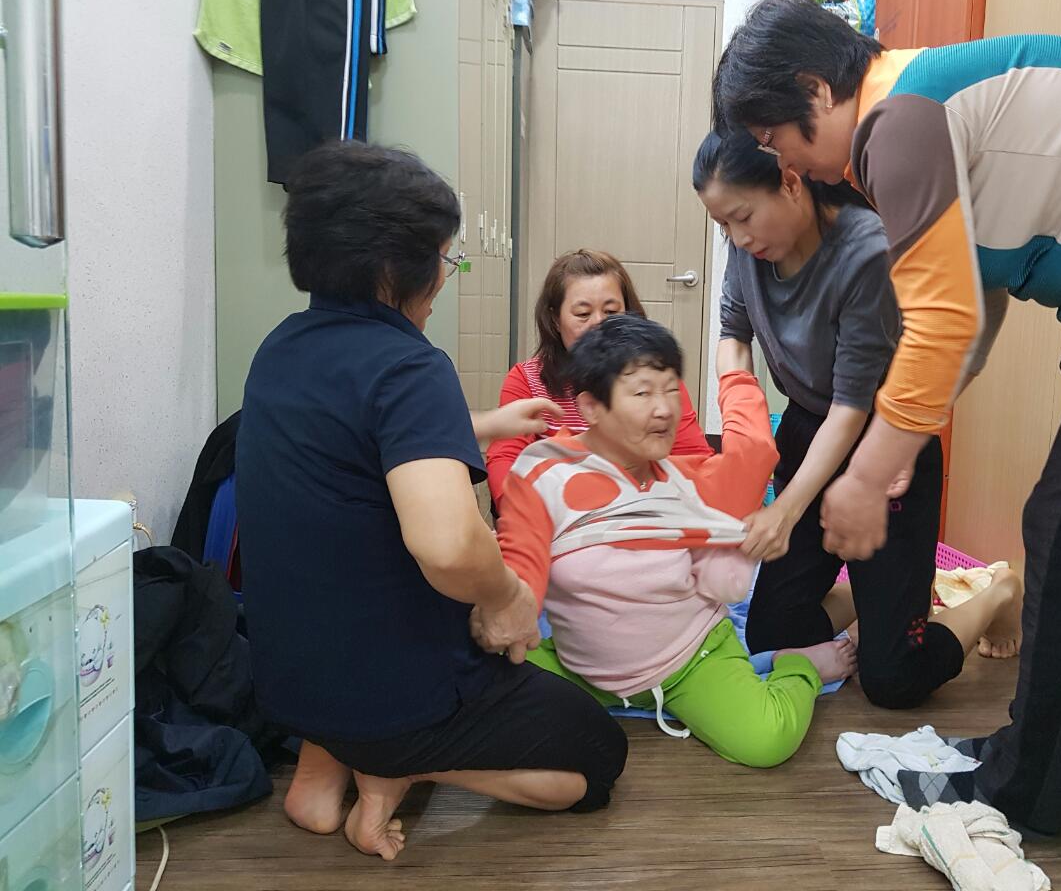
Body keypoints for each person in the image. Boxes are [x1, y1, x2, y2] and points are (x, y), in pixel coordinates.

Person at [713, 0, 1061, 834]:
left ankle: (1024, 787)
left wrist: (868, 475)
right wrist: (906, 439)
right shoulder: (916, 112)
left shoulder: (897, 125)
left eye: (775, 140)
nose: (786, 163)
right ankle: (1028, 764)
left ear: (815, 90)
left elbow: (940, 321)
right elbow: (977, 297)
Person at [236, 141, 627, 861]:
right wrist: (506, 597)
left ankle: (321, 779)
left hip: (288, 681)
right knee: (597, 755)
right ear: (397, 269)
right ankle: (397, 765)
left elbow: (355, 446)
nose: (446, 277)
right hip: (396, 691)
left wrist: (483, 424)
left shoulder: (281, 348)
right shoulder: (410, 366)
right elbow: (448, 546)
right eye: (447, 259)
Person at [693, 128, 1023, 715]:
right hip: (806, 433)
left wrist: (783, 511)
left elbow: (851, 407)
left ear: (789, 183)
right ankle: (875, 599)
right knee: (770, 637)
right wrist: (742, 416)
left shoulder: (864, 250)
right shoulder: (749, 249)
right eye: (723, 226)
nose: (737, 238)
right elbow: (732, 335)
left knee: (893, 679)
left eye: (742, 217)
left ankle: (999, 590)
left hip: (883, 442)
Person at [489, 314, 855, 768]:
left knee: (767, 742)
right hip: (578, 668)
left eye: (670, 390)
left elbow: (754, 449)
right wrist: (508, 608)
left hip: (691, 662)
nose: (664, 409)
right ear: (591, 407)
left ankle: (800, 665)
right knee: (482, 686)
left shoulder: (692, 482)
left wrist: (735, 368)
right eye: (643, 393)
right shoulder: (545, 472)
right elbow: (520, 564)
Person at [486, 249, 712, 508]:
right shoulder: (526, 380)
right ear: (555, 320)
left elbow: (695, 462)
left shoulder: (656, 378)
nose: (599, 325)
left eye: (611, 312)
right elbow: (505, 465)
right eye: (583, 314)